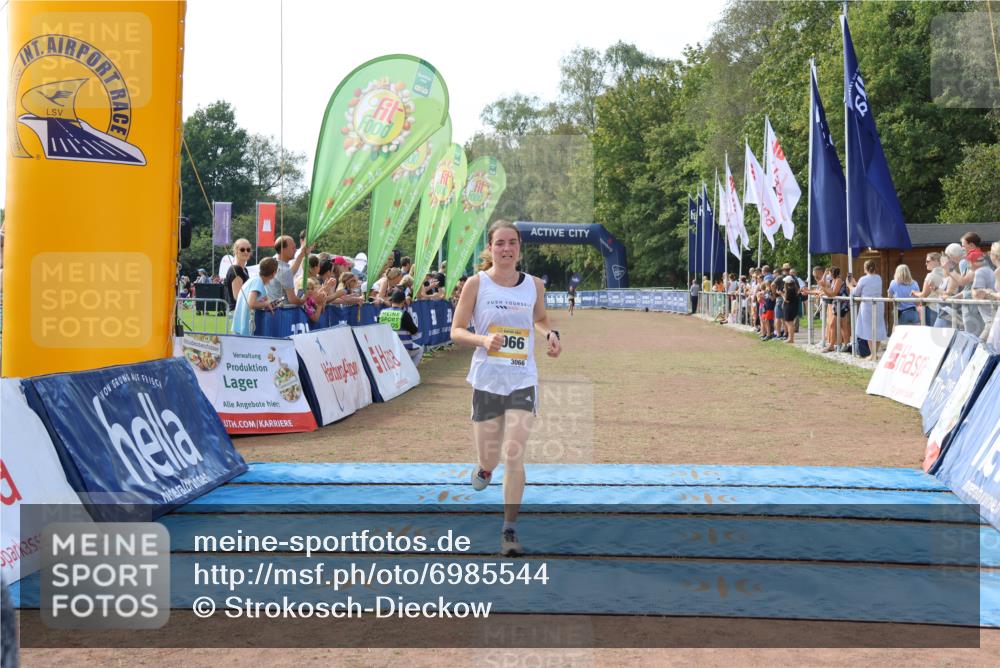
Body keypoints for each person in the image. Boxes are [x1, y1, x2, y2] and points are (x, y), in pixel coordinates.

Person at [450, 220, 562, 556]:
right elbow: (457, 330)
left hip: (522, 379)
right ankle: (484, 468)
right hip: (487, 380)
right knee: (491, 457)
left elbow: (539, 318)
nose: (506, 249)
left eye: (512, 242)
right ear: (490, 248)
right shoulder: (476, 284)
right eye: (499, 243)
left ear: (519, 248)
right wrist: (483, 340)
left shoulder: (534, 285)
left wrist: (550, 334)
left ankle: (509, 530)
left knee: (514, 452)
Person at [849, 259, 887, 361]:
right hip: (879, 304)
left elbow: (856, 292)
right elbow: (868, 286)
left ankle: (873, 354)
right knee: (878, 327)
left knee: (869, 328)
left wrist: (850, 286)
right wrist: (856, 283)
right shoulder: (878, 278)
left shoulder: (863, 279)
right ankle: (874, 353)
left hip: (867, 305)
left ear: (865, 268)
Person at [232, 257, 278, 335]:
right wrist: (267, 303)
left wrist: (266, 304)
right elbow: (251, 304)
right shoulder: (258, 281)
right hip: (245, 329)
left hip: (240, 328)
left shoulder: (254, 279)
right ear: (273, 273)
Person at [379, 288, 423, 364]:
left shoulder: (382, 312)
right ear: (403, 301)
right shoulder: (404, 314)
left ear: (392, 300)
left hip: (386, 348)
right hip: (403, 348)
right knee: (420, 350)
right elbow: (414, 331)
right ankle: (411, 369)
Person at [267, 235, 309, 308]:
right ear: (283, 250)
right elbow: (292, 300)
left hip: (272, 311)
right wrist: (304, 299)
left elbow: (290, 273)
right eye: (293, 248)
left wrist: (301, 255)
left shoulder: (273, 266)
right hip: (283, 312)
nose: (295, 250)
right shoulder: (285, 271)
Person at [913, 252, 944, 326]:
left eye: (928, 261)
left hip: (932, 308)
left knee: (930, 331)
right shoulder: (947, 274)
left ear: (936, 261)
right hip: (944, 309)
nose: (926, 263)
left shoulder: (930, 275)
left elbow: (924, 294)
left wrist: (914, 293)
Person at [224, 238, 252, 310]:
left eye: (248, 249)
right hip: (237, 311)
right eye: (242, 249)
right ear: (236, 251)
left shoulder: (244, 270)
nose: (246, 252)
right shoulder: (236, 269)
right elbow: (237, 296)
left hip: (243, 309)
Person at [782, 276, 800, 344]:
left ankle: (791, 339)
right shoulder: (794, 288)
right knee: (789, 323)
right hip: (792, 307)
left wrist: (781, 294)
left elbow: (787, 300)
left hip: (790, 308)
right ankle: (790, 338)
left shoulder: (790, 289)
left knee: (790, 323)